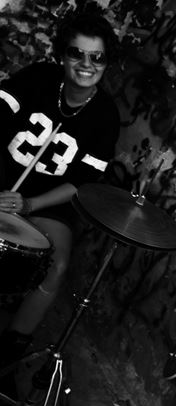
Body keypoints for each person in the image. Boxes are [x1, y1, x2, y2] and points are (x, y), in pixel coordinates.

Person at [0, 11, 120, 364]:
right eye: (76, 53)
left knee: (58, 263)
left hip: (46, 203)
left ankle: (9, 353)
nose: (86, 64)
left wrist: (29, 205)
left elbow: (81, 183)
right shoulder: (38, 77)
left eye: (97, 57)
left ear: (106, 62)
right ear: (61, 55)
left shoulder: (106, 116)